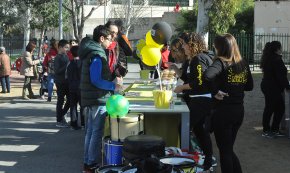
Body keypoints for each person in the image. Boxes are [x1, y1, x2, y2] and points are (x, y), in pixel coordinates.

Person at [203, 34, 253, 173]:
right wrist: (236, 85)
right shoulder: (243, 63)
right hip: (238, 111)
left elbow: (206, 76)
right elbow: (249, 86)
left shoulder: (221, 62)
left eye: (215, 46)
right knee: (228, 149)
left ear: (221, 47)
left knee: (225, 151)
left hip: (223, 112)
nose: (214, 48)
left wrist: (216, 91)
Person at [78, 25, 122, 173]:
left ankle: (87, 162)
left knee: (90, 132)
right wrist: (113, 86)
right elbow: (96, 80)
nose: (111, 42)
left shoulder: (90, 51)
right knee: (95, 133)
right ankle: (91, 163)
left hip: (92, 98)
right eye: (109, 39)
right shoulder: (97, 54)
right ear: (101, 38)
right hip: (97, 98)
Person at [173, 32, 214, 171]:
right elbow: (188, 78)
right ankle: (206, 158)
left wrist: (181, 88)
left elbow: (199, 82)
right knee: (199, 129)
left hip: (202, 100)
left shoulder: (199, 59)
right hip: (197, 99)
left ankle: (191, 159)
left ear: (191, 44)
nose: (183, 47)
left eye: (184, 44)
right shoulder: (193, 59)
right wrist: (174, 68)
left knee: (184, 127)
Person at [260, 41, 290, 138]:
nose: (282, 49)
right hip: (272, 87)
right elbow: (281, 76)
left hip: (270, 86)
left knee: (279, 108)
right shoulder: (276, 59)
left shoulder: (270, 57)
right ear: (277, 49)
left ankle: (274, 129)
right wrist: (288, 87)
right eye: (280, 47)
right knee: (270, 108)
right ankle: (266, 130)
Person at [66, 45, 83, 130]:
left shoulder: (69, 63)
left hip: (72, 86)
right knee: (82, 105)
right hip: (81, 87)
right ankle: (83, 123)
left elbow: (67, 76)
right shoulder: (83, 63)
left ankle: (74, 124)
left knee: (73, 106)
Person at [54, 39, 70, 128]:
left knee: (70, 99)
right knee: (60, 100)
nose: (67, 49)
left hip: (67, 82)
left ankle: (62, 115)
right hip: (60, 82)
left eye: (68, 47)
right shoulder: (58, 58)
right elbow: (57, 71)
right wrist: (66, 65)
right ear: (60, 47)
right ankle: (59, 120)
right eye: (66, 47)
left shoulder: (66, 56)